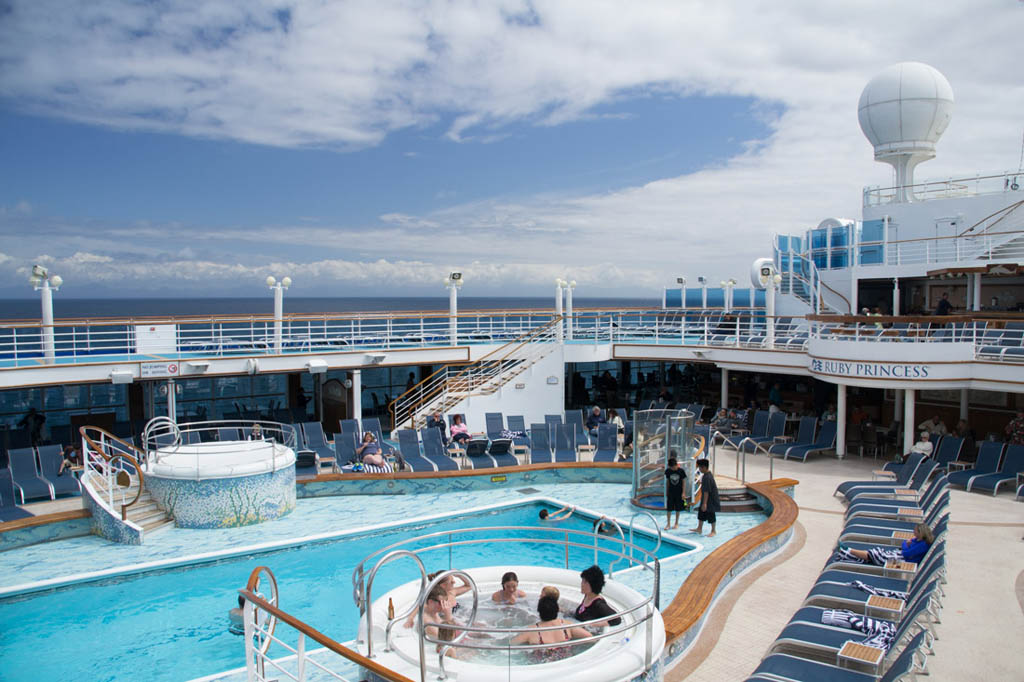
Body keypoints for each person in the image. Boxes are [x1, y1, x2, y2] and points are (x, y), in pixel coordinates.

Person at [510, 595, 591, 661]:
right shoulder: (566, 626)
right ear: (556, 611)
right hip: (566, 662)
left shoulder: (532, 631)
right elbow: (590, 637)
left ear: (539, 612)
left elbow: (511, 644)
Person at [835, 523, 934, 565]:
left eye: (915, 531)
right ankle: (848, 551)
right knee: (876, 553)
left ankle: (848, 550)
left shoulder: (923, 545)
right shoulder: (918, 540)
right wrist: (906, 544)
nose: (913, 533)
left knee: (876, 555)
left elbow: (906, 553)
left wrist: (906, 544)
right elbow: (905, 545)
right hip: (899, 556)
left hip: (902, 561)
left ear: (920, 533)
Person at [690, 458, 719, 537]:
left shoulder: (707, 477)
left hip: (710, 499)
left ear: (704, 467)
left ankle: (713, 530)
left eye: (700, 467)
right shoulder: (707, 475)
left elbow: (707, 491)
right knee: (701, 512)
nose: (699, 469)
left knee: (711, 513)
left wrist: (705, 503)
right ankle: (699, 528)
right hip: (707, 498)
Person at [664, 456, 687, 530]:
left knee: (678, 508)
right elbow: (667, 481)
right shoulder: (668, 471)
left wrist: (683, 492)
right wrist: (667, 491)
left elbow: (683, 482)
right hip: (671, 492)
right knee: (669, 508)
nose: (674, 469)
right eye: (672, 467)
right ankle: (668, 523)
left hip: (679, 492)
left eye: (674, 467)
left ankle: (676, 523)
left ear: (676, 465)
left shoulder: (681, 471)